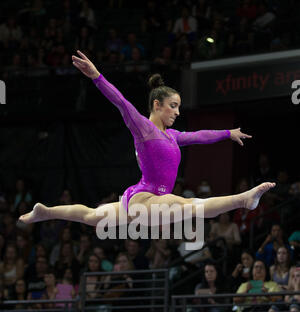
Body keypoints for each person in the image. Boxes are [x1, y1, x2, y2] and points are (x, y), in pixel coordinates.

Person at [19, 50, 275, 238]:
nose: (176, 112)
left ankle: (46, 212)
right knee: (189, 206)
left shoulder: (173, 137)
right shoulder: (143, 128)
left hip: (147, 200)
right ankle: (243, 200)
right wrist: (97, 76)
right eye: (173, 106)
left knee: (92, 216)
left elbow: (199, 135)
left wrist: (226, 133)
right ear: (157, 105)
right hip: (145, 197)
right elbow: (120, 102)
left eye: (178, 107)